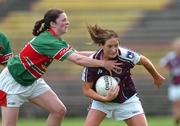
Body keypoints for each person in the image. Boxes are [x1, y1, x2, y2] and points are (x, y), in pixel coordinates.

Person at [0, 9, 121, 126]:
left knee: (58, 111)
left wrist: (104, 54)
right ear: (52, 23)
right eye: (63, 20)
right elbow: (77, 60)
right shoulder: (48, 40)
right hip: (12, 83)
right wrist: (104, 63)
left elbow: (77, 54)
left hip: (32, 81)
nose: (67, 22)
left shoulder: (56, 40)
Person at [81, 24, 165, 126]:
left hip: (127, 99)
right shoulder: (92, 62)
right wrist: (105, 99)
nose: (114, 49)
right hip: (102, 102)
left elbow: (143, 60)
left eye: (116, 45)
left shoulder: (125, 55)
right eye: (110, 46)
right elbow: (87, 89)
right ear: (101, 45)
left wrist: (156, 76)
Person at [160, 38, 180, 126]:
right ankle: (177, 119)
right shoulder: (170, 57)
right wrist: (168, 71)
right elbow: (162, 64)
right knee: (175, 103)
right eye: (177, 46)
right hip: (174, 85)